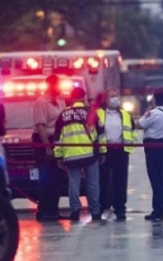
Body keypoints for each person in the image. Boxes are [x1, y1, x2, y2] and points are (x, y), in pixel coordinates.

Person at [54, 86, 102, 221]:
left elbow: (57, 138)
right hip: (89, 154)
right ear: (83, 98)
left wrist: (59, 155)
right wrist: (102, 152)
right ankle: (95, 211)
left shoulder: (63, 115)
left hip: (71, 155)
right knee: (92, 183)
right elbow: (101, 133)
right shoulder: (90, 113)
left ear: (72, 98)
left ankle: (75, 211)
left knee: (73, 183)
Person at [96, 88, 137, 221]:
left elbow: (133, 131)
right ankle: (101, 207)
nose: (115, 99)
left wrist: (130, 145)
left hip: (120, 151)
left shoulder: (125, 115)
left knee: (120, 180)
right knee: (102, 180)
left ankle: (120, 208)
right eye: (111, 96)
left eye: (116, 96)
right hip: (104, 151)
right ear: (105, 99)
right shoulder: (98, 114)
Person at [137, 88, 163, 221]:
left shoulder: (154, 113)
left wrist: (146, 112)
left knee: (156, 180)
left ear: (155, 99)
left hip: (155, 149)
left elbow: (139, 125)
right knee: (162, 179)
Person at [32, 74, 68, 221]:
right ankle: (44, 211)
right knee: (46, 177)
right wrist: (47, 147)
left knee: (57, 177)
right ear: (51, 85)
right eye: (58, 85)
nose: (60, 88)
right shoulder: (42, 102)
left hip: (57, 141)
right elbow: (40, 125)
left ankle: (54, 210)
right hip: (44, 141)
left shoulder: (58, 101)